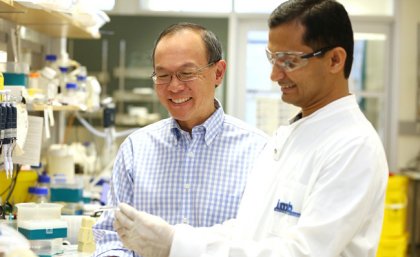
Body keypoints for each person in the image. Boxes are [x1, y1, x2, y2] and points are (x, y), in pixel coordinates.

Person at [113, 1, 389, 257]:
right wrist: (176, 238)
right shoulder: (291, 137)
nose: (274, 75)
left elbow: (302, 252)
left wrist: (176, 244)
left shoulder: (353, 146)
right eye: (273, 60)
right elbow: (249, 228)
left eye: (289, 61)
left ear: (334, 60)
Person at [92, 22, 268, 257]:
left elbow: (262, 241)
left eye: (186, 73)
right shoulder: (136, 149)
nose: (174, 86)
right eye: (163, 75)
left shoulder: (259, 152)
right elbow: (110, 234)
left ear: (218, 73)